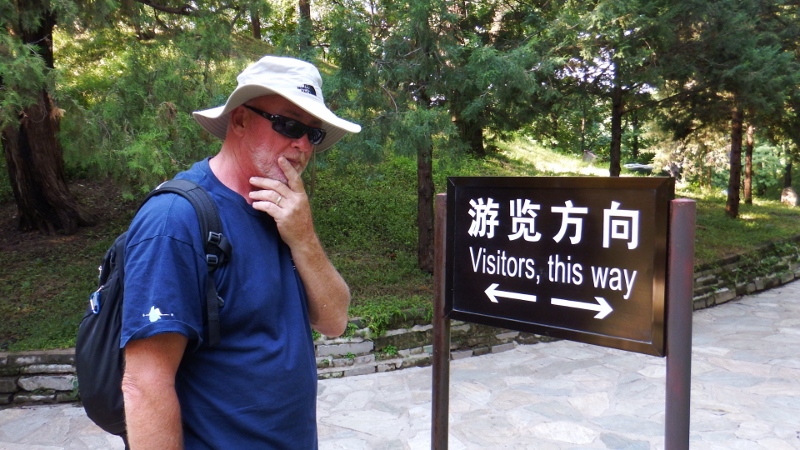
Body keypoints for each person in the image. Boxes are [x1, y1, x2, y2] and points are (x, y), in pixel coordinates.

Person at [120, 55, 361, 449]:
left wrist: (304, 238)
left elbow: (335, 320)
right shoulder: (174, 221)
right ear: (240, 120)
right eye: (289, 125)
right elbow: (144, 384)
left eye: (313, 133)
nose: (302, 144)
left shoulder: (283, 210)